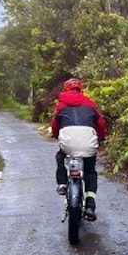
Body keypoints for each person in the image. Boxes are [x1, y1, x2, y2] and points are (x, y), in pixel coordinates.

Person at [50, 77, 108, 221]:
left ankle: (62, 184)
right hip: (88, 143)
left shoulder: (61, 106)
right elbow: (101, 125)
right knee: (89, 171)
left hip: (68, 144)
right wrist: (101, 137)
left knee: (60, 157)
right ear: (81, 89)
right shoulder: (90, 104)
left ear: (65, 89)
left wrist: (56, 136)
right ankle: (90, 203)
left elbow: (55, 126)